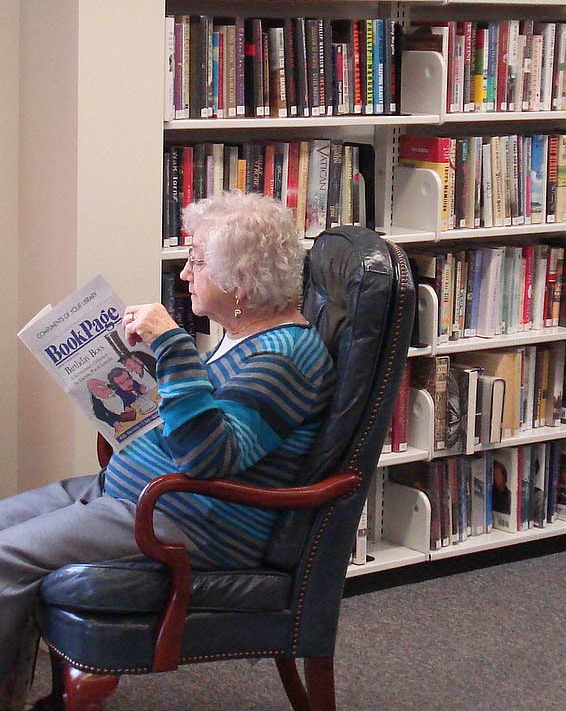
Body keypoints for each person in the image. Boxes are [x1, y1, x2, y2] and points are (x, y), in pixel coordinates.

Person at [0, 192, 336, 711]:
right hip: (140, 496)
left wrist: (173, 346)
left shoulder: (283, 357)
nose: (185, 275)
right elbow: (202, 418)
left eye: (197, 262)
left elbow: (207, 459)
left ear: (239, 283)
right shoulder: (247, 336)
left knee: (4, 558)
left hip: (187, 520)